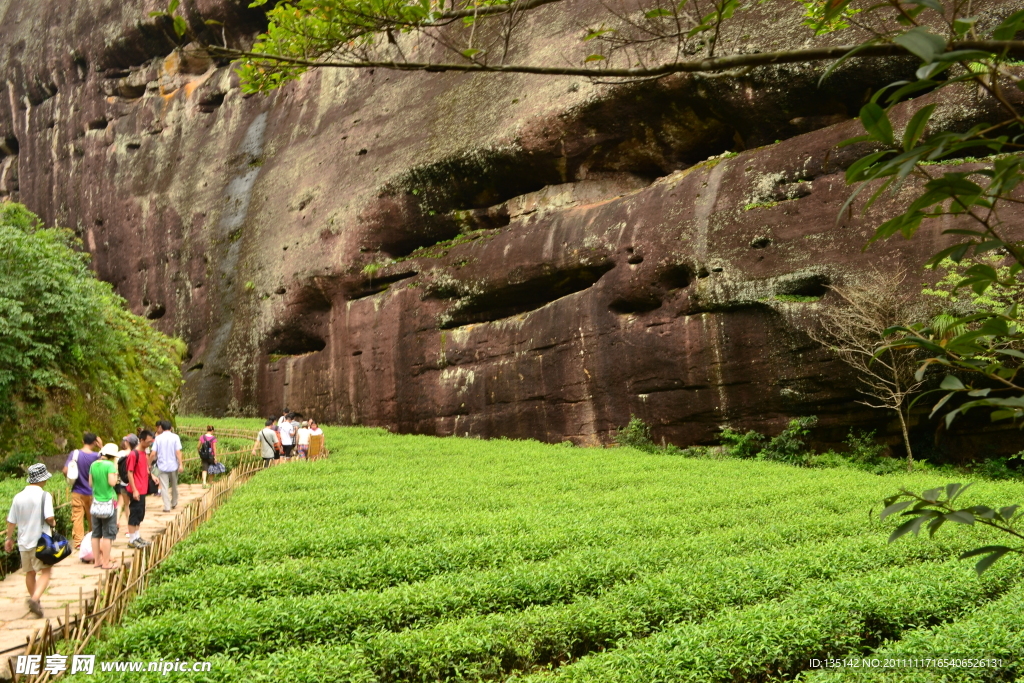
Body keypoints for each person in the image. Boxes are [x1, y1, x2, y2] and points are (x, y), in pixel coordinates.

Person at [5, 464, 57, 618]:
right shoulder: (44, 495)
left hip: (23, 541)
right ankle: (34, 599)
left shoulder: (18, 496)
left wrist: (9, 538)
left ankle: (37, 600)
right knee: (46, 571)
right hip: (40, 541)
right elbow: (49, 517)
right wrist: (53, 523)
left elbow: (11, 520)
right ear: (42, 479)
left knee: (30, 572)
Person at [63, 433, 102, 549]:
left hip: (77, 490)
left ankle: (79, 542)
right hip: (92, 492)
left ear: (82, 441)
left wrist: (71, 479)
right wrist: (101, 447)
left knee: (77, 517)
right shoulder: (97, 456)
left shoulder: (74, 454)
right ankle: (92, 540)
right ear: (95, 442)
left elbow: (65, 470)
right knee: (93, 517)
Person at [89, 444, 119, 570]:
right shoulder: (110, 465)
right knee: (108, 534)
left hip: (96, 503)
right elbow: (112, 482)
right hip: (108, 502)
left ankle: (97, 561)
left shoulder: (93, 465)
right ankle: (106, 563)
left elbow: (90, 483)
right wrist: (115, 474)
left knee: (96, 533)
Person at [125, 431, 153, 549]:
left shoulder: (143, 453)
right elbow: (130, 472)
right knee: (134, 514)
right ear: (141, 440)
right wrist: (135, 489)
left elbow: (144, 469)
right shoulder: (133, 454)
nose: (149, 444)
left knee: (140, 514)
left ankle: (137, 536)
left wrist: (153, 476)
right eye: (148, 442)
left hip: (143, 489)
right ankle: (132, 539)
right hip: (136, 489)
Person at [153, 420, 183, 513]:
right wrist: (181, 464)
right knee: (174, 485)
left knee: (164, 487)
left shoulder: (158, 438)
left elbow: (153, 452)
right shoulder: (175, 437)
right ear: (171, 428)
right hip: (173, 465)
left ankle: (167, 507)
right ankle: (174, 502)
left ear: (161, 428)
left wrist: (150, 463)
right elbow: (178, 452)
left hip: (162, 465)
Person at [115, 434, 137, 531]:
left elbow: (116, 468)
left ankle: (116, 520)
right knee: (133, 505)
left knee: (123, 504)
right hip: (133, 484)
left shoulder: (119, 454)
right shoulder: (135, 453)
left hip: (121, 481)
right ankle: (131, 528)